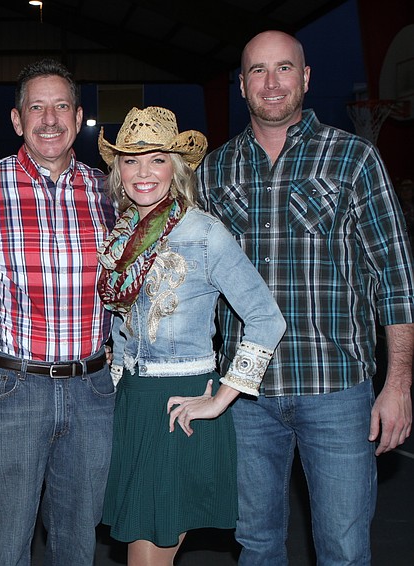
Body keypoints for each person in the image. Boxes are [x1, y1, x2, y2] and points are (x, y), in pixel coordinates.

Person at [197, 30, 414, 565]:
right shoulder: (213, 171)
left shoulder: (354, 159)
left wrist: (399, 385)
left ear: (306, 77)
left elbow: (396, 279)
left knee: (343, 548)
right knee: (256, 544)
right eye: (257, 71)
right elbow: (193, 285)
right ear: (242, 85)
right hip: (243, 395)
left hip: (336, 389)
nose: (271, 83)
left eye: (284, 68)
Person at [0, 58, 117, 566]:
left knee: (77, 543)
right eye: (35, 107)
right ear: (17, 121)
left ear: (79, 115)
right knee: (3, 543)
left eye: (61, 106)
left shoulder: (107, 190)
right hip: (11, 389)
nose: (49, 119)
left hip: (92, 390)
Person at [96, 106, 285, 565]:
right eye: (131, 160)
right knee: (140, 548)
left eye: (157, 159)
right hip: (134, 401)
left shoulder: (203, 232)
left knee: (150, 554)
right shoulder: (122, 234)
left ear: (176, 168)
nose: (143, 172)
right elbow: (123, 322)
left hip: (179, 402)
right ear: (118, 171)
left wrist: (222, 396)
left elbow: (266, 318)